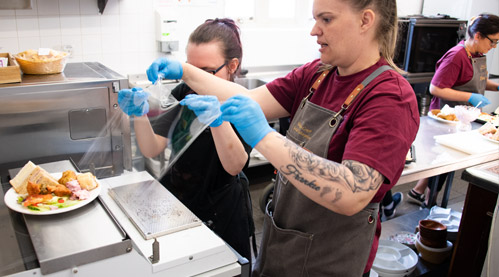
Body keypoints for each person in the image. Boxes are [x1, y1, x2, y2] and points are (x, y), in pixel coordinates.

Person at [146, 0, 420, 275]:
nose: (314, 30)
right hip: (283, 245)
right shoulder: (317, 75)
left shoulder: (389, 97)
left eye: (326, 19)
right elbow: (248, 98)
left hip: (330, 260)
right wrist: (185, 71)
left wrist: (265, 137)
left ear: (365, 20)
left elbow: (352, 193)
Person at [118, 18, 255, 261]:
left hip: (221, 209)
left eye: (205, 72)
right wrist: (139, 114)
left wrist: (217, 120)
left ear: (232, 66)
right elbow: (152, 148)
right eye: (189, 69)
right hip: (178, 203)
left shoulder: (243, 103)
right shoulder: (183, 92)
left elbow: (234, 166)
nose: (194, 79)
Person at [408, 13, 499, 208]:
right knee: (441, 163)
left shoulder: (477, 55)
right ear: (478, 36)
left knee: (444, 163)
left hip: (463, 119)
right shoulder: (456, 56)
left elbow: (477, 82)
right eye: (492, 42)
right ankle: (429, 205)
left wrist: (496, 86)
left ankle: (419, 193)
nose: (494, 47)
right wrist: (470, 98)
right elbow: (436, 88)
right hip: (445, 119)